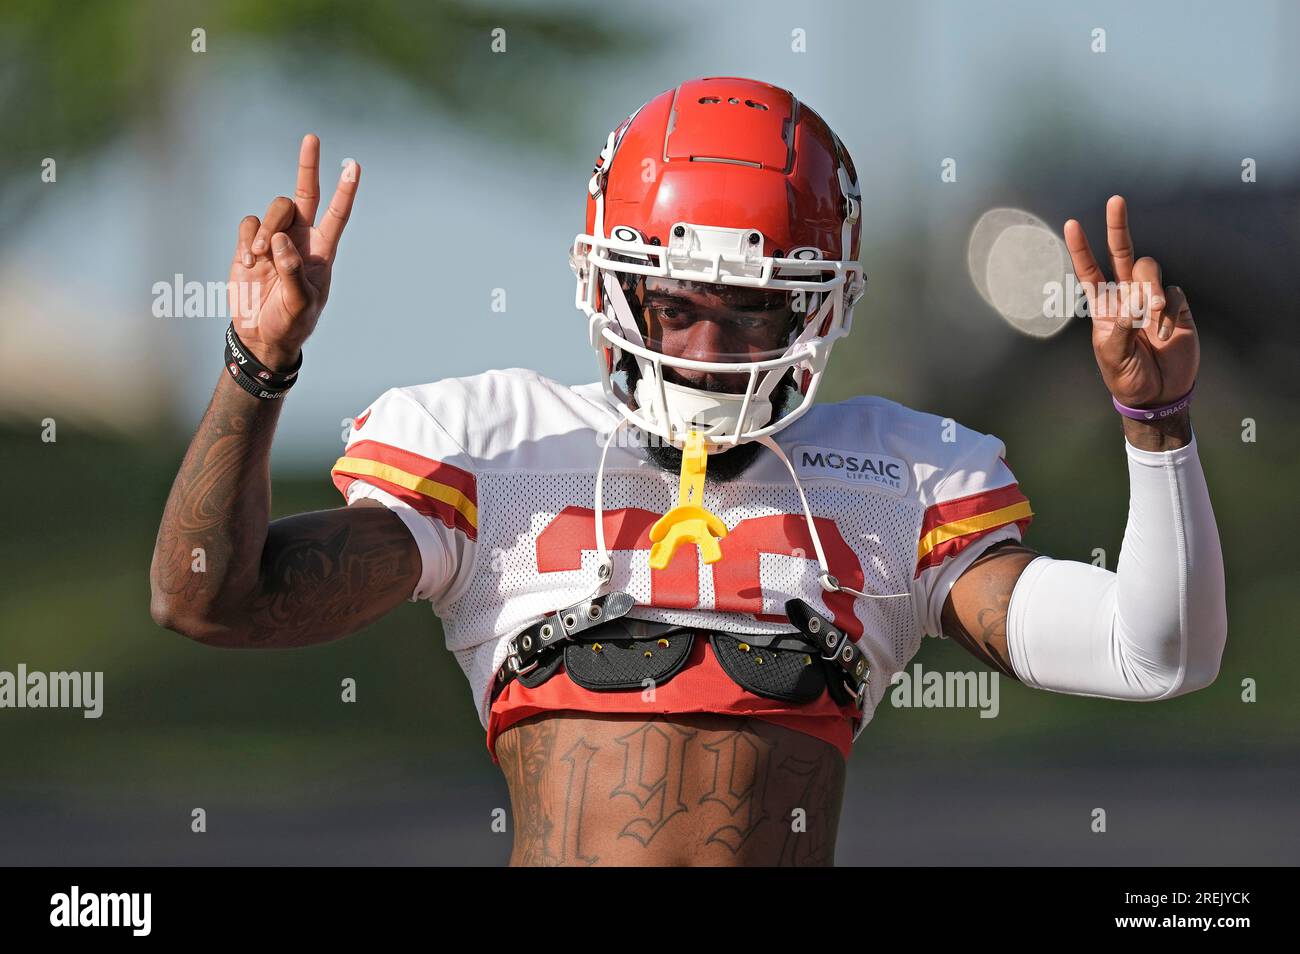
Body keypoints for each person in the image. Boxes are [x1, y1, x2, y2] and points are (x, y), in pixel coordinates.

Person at [150, 76, 1227, 866]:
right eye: (676, 305)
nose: (706, 349)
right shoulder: (501, 448)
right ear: (610, 285)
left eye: (752, 308)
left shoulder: (891, 479)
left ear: (820, 302)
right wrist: (258, 366)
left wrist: (1156, 424)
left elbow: (1155, 652)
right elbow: (208, 596)